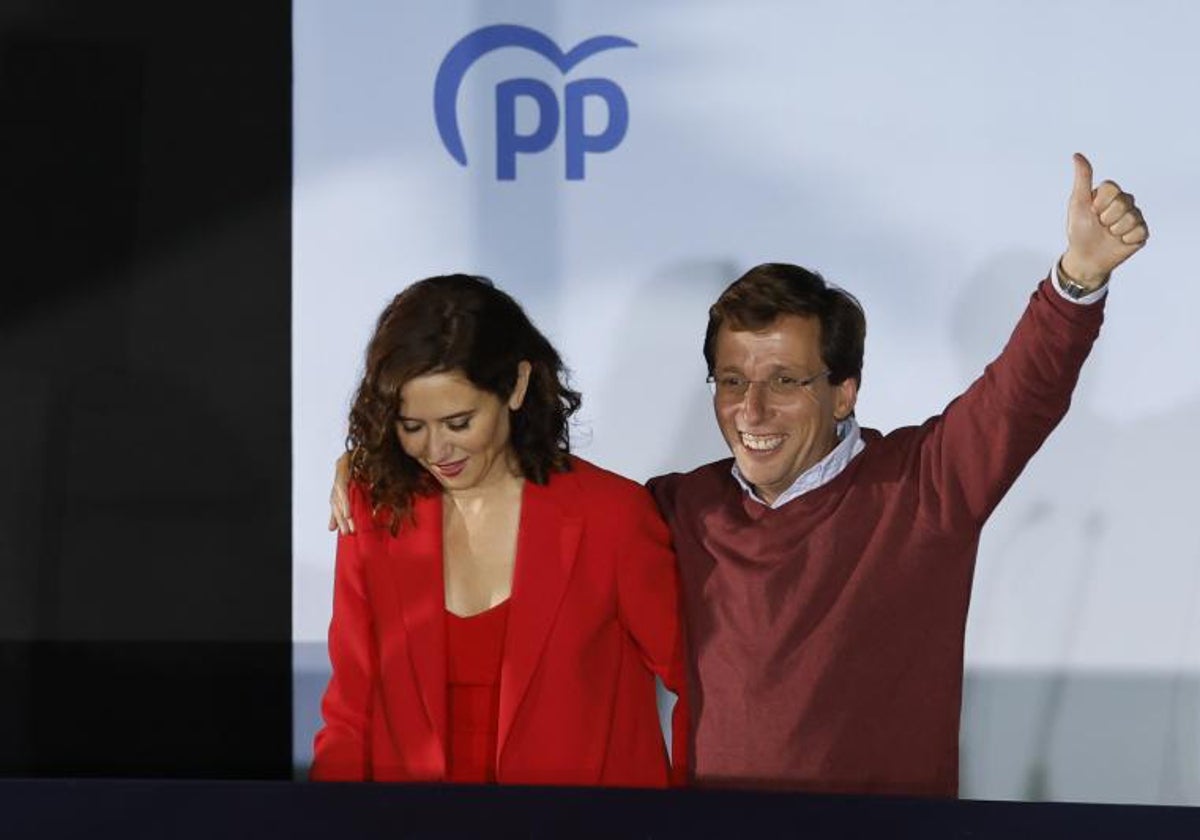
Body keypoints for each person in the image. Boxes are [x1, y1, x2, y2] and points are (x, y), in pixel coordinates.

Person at [328, 153, 1147, 796]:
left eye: (785, 382)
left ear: (844, 391)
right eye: (730, 380)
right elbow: (537, 499)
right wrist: (374, 460)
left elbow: (1020, 397)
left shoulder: (924, 486)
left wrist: (1076, 280)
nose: (751, 408)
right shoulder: (678, 508)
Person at [311, 274, 688, 786]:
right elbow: (351, 713)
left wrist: (694, 819)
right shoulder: (373, 510)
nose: (436, 450)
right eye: (412, 426)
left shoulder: (614, 515)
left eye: (459, 422)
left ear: (516, 385)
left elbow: (699, 686)